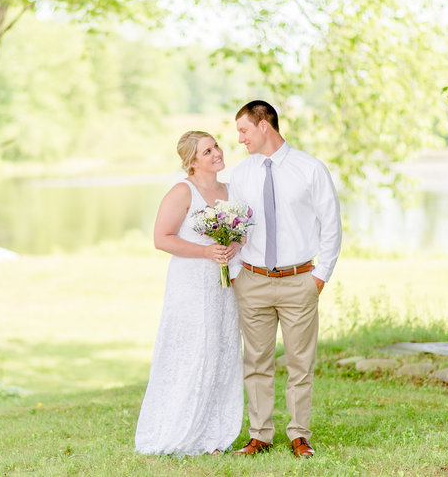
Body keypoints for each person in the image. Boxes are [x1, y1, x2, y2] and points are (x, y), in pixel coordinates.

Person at [228, 100, 342, 458]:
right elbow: (232, 228)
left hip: (300, 281)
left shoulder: (310, 169)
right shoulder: (241, 174)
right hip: (252, 281)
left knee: (299, 363)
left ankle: (299, 435)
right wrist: (236, 276)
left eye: (244, 130)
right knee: (256, 362)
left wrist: (319, 277)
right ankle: (259, 434)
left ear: (264, 125)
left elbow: (332, 227)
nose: (241, 139)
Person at [135, 130, 244, 456]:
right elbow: (162, 238)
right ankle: (176, 430)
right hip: (191, 285)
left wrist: (233, 245)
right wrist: (207, 253)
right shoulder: (183, 192)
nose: (216, 153)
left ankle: (214, 437)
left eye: (216, 147)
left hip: (224, 288)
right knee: (192, 352)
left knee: (222, 354)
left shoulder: (230, 190)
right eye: (207, 151)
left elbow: (241, 234)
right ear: (192, 162)